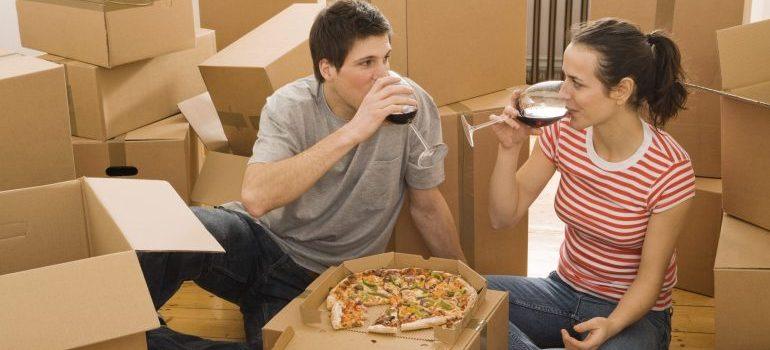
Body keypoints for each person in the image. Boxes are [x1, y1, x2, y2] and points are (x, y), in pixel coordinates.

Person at [140, 1, 466, 349]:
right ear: (327, 68)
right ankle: (128, 329)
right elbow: (256, 198)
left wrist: (470, 280)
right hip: (258, 243)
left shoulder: (413, 107)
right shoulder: (288, 105)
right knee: (172, 229)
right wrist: (354, 130)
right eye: (366, 63)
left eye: (385, 58)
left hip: (324, 285)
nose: (384, 75)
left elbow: (427, 205)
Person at [485, 18, 695, 350]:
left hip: (634, 315)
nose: (563, 94)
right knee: (472, 298)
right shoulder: (563, 132)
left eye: (577, 83)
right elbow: (502, 217)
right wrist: (508, 149)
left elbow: (650, 280)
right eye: (564, 77)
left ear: (621, 90)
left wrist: (612, 325)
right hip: (563, 293)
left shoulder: (670, 169)